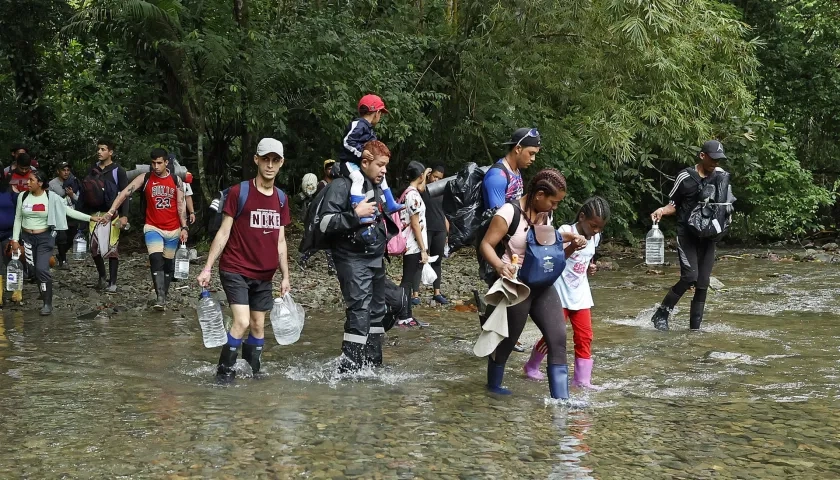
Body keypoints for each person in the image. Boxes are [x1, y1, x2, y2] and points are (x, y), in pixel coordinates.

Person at [478, 168, 586, 399]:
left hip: (543, 285)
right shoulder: (508, 213)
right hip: (516, 286)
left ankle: (562, 401)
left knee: (558, 339)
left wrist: (572, 245)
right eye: (553, 202)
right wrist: (500, 266)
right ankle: (493, 390)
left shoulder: (546, 215)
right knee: (506, 343)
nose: (554, 207)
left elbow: (549, 251)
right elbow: (486, 244)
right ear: (539, 195)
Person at [197, 138, 291, 381]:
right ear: (256, 160)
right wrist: (207, 268)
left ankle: (253, 373)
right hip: (235, 268)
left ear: (281, 163)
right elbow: (224, 232)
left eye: (275, 160)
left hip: (264, 274)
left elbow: (281, 240)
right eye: (266, 159)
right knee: (242, 322)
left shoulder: (281, 198)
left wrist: (285, 276)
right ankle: (224, 374)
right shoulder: (240, 192)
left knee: (258, 325)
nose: (270, 165)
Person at [318, 140, 394, 372]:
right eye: (380, 165)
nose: (384, 170)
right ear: (365, 162)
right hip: (351, 259)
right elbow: (324, 223)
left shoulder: (377, 186)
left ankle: (372, 366)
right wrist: (354, 214)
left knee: (377, 311)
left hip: (375, 258)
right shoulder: (340, 186)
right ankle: (349, 371)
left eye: (385, 166)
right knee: (360, 311)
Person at [524, 196, 610, 389]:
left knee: (585, 336)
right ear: (581, 217)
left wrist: (590, 268)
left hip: (581, 295)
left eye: (600, 228)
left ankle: (582, 379)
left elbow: (587, 259)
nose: (596, 231)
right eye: (593, 226)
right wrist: (572, 246)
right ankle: (532, 366)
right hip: (559, 294)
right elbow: (554, 259)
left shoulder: (595, 237)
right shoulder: (565, 231)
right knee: (553, 336)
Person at [649, 140, 731, 331]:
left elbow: (725, 205)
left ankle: (695, 329)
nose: (715, 163)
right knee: (689, 277)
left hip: (709, 237)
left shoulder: (720, 177)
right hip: (687, 236)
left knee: (703, 283)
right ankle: (661, 314)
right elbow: (673, 204)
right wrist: (661, 210)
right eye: (713, 159)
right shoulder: (685, 176)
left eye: (719, 160)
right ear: (702, 156)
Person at [476, 127, 541, 352]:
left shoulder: (516, 172)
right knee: (500, 287)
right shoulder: (497, 176)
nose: (533, 158)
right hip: (495, 245)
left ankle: (500, 336)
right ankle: (497, 338)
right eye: (531, 153)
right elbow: (498, 217)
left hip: (513, 245)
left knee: (508, 290)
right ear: (518, 148)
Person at [102, 148, 188, 310]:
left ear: (166, 163)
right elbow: (124, 193)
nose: (156, 166)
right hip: (152, 227)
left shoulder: (176, 180)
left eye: (159, 163)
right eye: (153, 163)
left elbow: (180, 206)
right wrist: (111, 211)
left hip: (173, 229)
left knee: (168, 264)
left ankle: (164, 293)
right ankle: (160, 298)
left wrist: (184, 227)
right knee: (156, 260)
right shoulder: (145, 178)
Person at [10, 170, 101, 315]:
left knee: (41, 269)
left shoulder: (51, 197)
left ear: (40, 183)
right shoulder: (23, 196)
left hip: (45, 238)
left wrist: (90, 218)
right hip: (27, 238)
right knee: (33, 270)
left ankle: (47, 304)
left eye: (31, 180)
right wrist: (15, 239)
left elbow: (68, 211)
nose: (27, 183)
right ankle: (44, 292)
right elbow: (18, 219)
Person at [338, 94, 402, 223]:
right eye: (381, 113)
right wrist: (361, 152)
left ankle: (390, 203)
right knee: (358, 178)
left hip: (360, 163)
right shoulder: (359, 124)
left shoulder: (369, 129)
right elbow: (347, 142)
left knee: (382, 177)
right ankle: (359, 209)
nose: (380, 117)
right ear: (377, 112)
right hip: (349, 162)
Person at [81, 138, 129, 293]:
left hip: (112, 214)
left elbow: (125, 193)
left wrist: (124, 215)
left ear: (111, 152)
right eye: (99, 149)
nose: (99, 152)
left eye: (103, 149)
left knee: (112, 248)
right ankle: (102, 276)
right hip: (95, 214)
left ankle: (113, 282)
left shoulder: (118, 171)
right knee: (94, 248)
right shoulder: (93, 169)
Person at [398, 161, 431, 327]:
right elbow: (415, 224)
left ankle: (408, 315)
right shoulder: (413, 195)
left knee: (409, 280)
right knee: (407, 281)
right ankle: (403, 316)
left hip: (411, 243)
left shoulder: (409, 192)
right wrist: (423, 249)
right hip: (412, 244)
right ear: (419, 176)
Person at [417, 165, 448, 304]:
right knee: (420, 260)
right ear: (430, 175)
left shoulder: (441, 191)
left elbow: (445, 213)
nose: (436, 180)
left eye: (439, 178)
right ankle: (415, 294)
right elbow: (420, 189)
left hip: (440, 229)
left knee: (437, 261)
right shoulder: (423, 189)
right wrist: (424, 175)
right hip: (425, 229)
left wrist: (447, 233)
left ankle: (437, 292)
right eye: (434, 176)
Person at [48, 161, 80, 268]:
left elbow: (80, 199)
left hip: (72, 212)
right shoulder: (52, 184)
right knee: (62, 237)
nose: (66, 172)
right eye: (63, 170)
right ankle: (63, 259)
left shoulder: (75, 182)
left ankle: (61, 254)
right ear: (58, 171)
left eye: (68, 170)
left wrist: (72, 195)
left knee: (71, 237)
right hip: (58, 213)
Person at [0, 175, 20, 305]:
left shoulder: (11, 191)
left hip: (9, 233)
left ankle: (16, 292)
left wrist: (17, 237)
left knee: (12, 263)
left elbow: (19, 213)